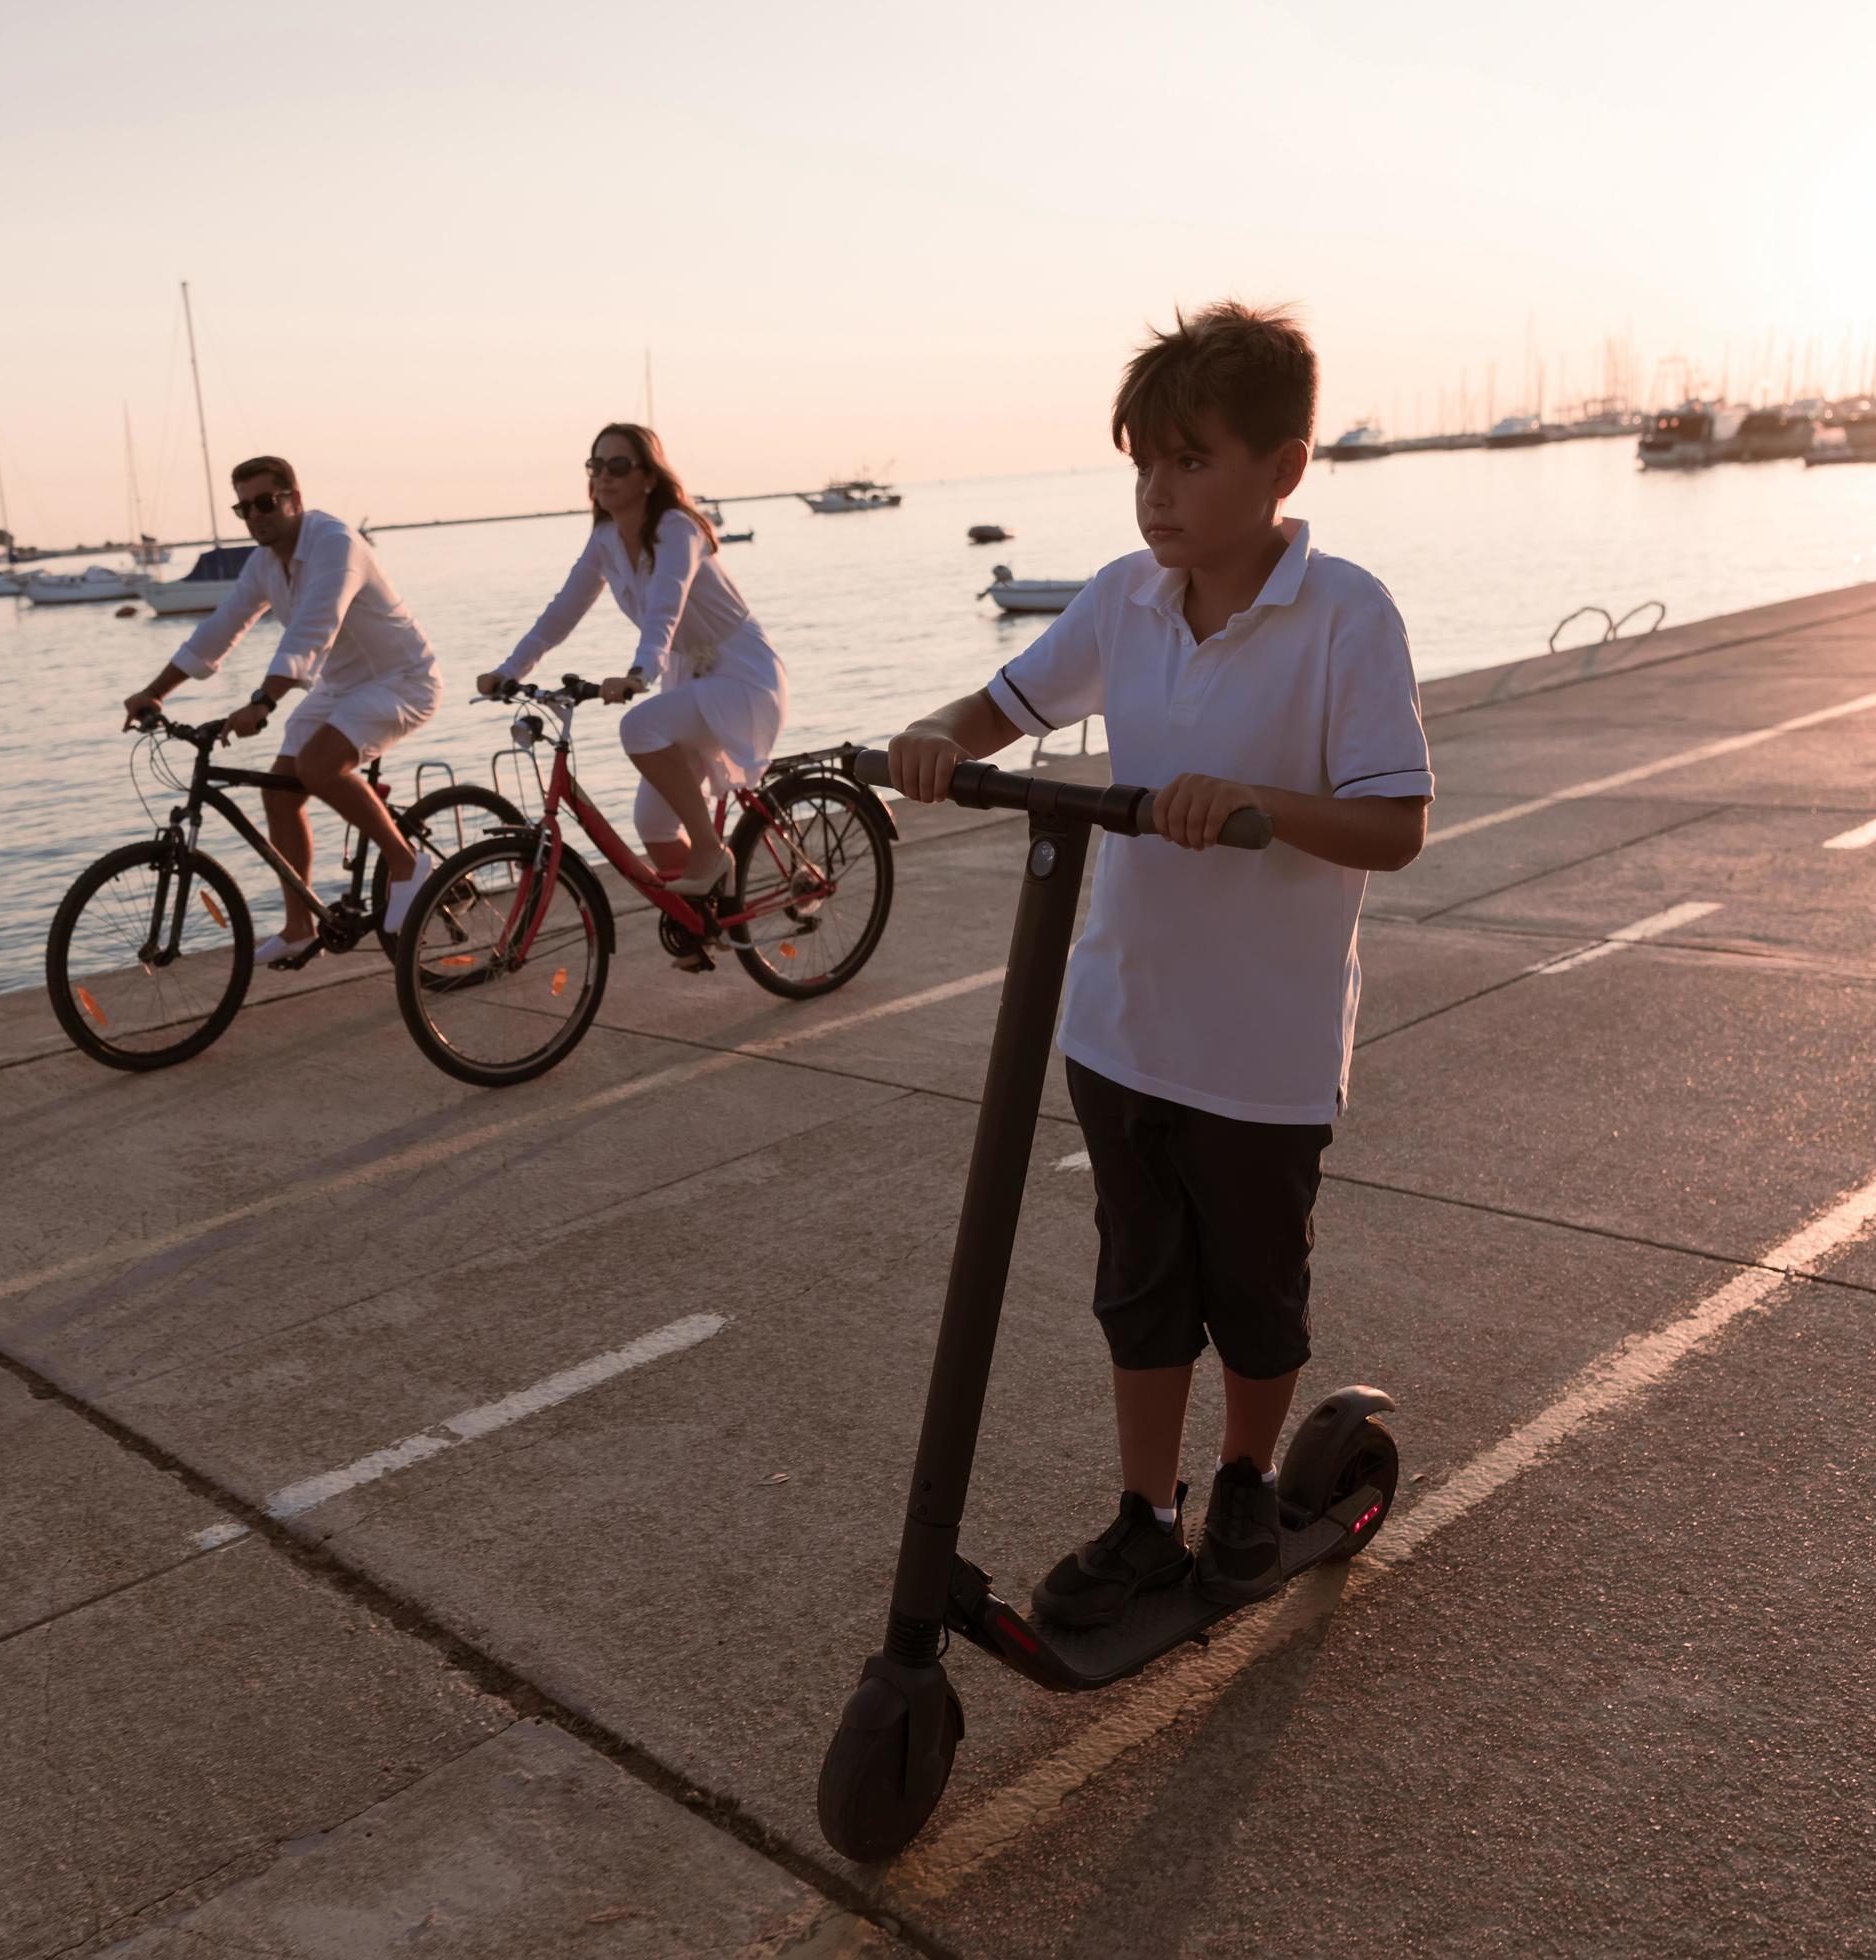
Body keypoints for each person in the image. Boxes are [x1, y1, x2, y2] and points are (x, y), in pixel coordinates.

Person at [883, 302, 1433, 1625]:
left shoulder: (1346, 615)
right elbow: (1005, 704)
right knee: (1139, 1284)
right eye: (1144, 464)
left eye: (1190, 462)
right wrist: (929, 734)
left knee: (1253, 1287)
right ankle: (1146, 1515)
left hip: (1265, 1044)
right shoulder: (1125, 601)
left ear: (1282, 468)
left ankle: (1246, 1478)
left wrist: (1248, 799)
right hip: (1122, 1021)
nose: (1157, 494)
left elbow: (1396, 824)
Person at [122, 457, 441, 966]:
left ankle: (406, 864)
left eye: (265, 503)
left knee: (318, 767)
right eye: (243, 507)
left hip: (400, 680)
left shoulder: (335, 543)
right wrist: (155, 691)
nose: (255, 516)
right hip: (340, 687)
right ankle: (298, 926)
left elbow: (316, 627)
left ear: (294, 498)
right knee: (279, 793)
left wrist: (263, 702)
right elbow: (220, 628)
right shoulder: (265, 563)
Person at [482, 423, 788, 909]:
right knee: (651, 822)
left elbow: (666, 605)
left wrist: (640, 673)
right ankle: (701, 926)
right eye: (595, 465)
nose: (604, 476)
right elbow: (561, 612)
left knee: (639, 727)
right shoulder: (605, 538)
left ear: (648, 476)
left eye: (618, 465)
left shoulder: (677, 527)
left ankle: (711, 852)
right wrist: (510, 669)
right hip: (688, 676)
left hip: (740, 675)